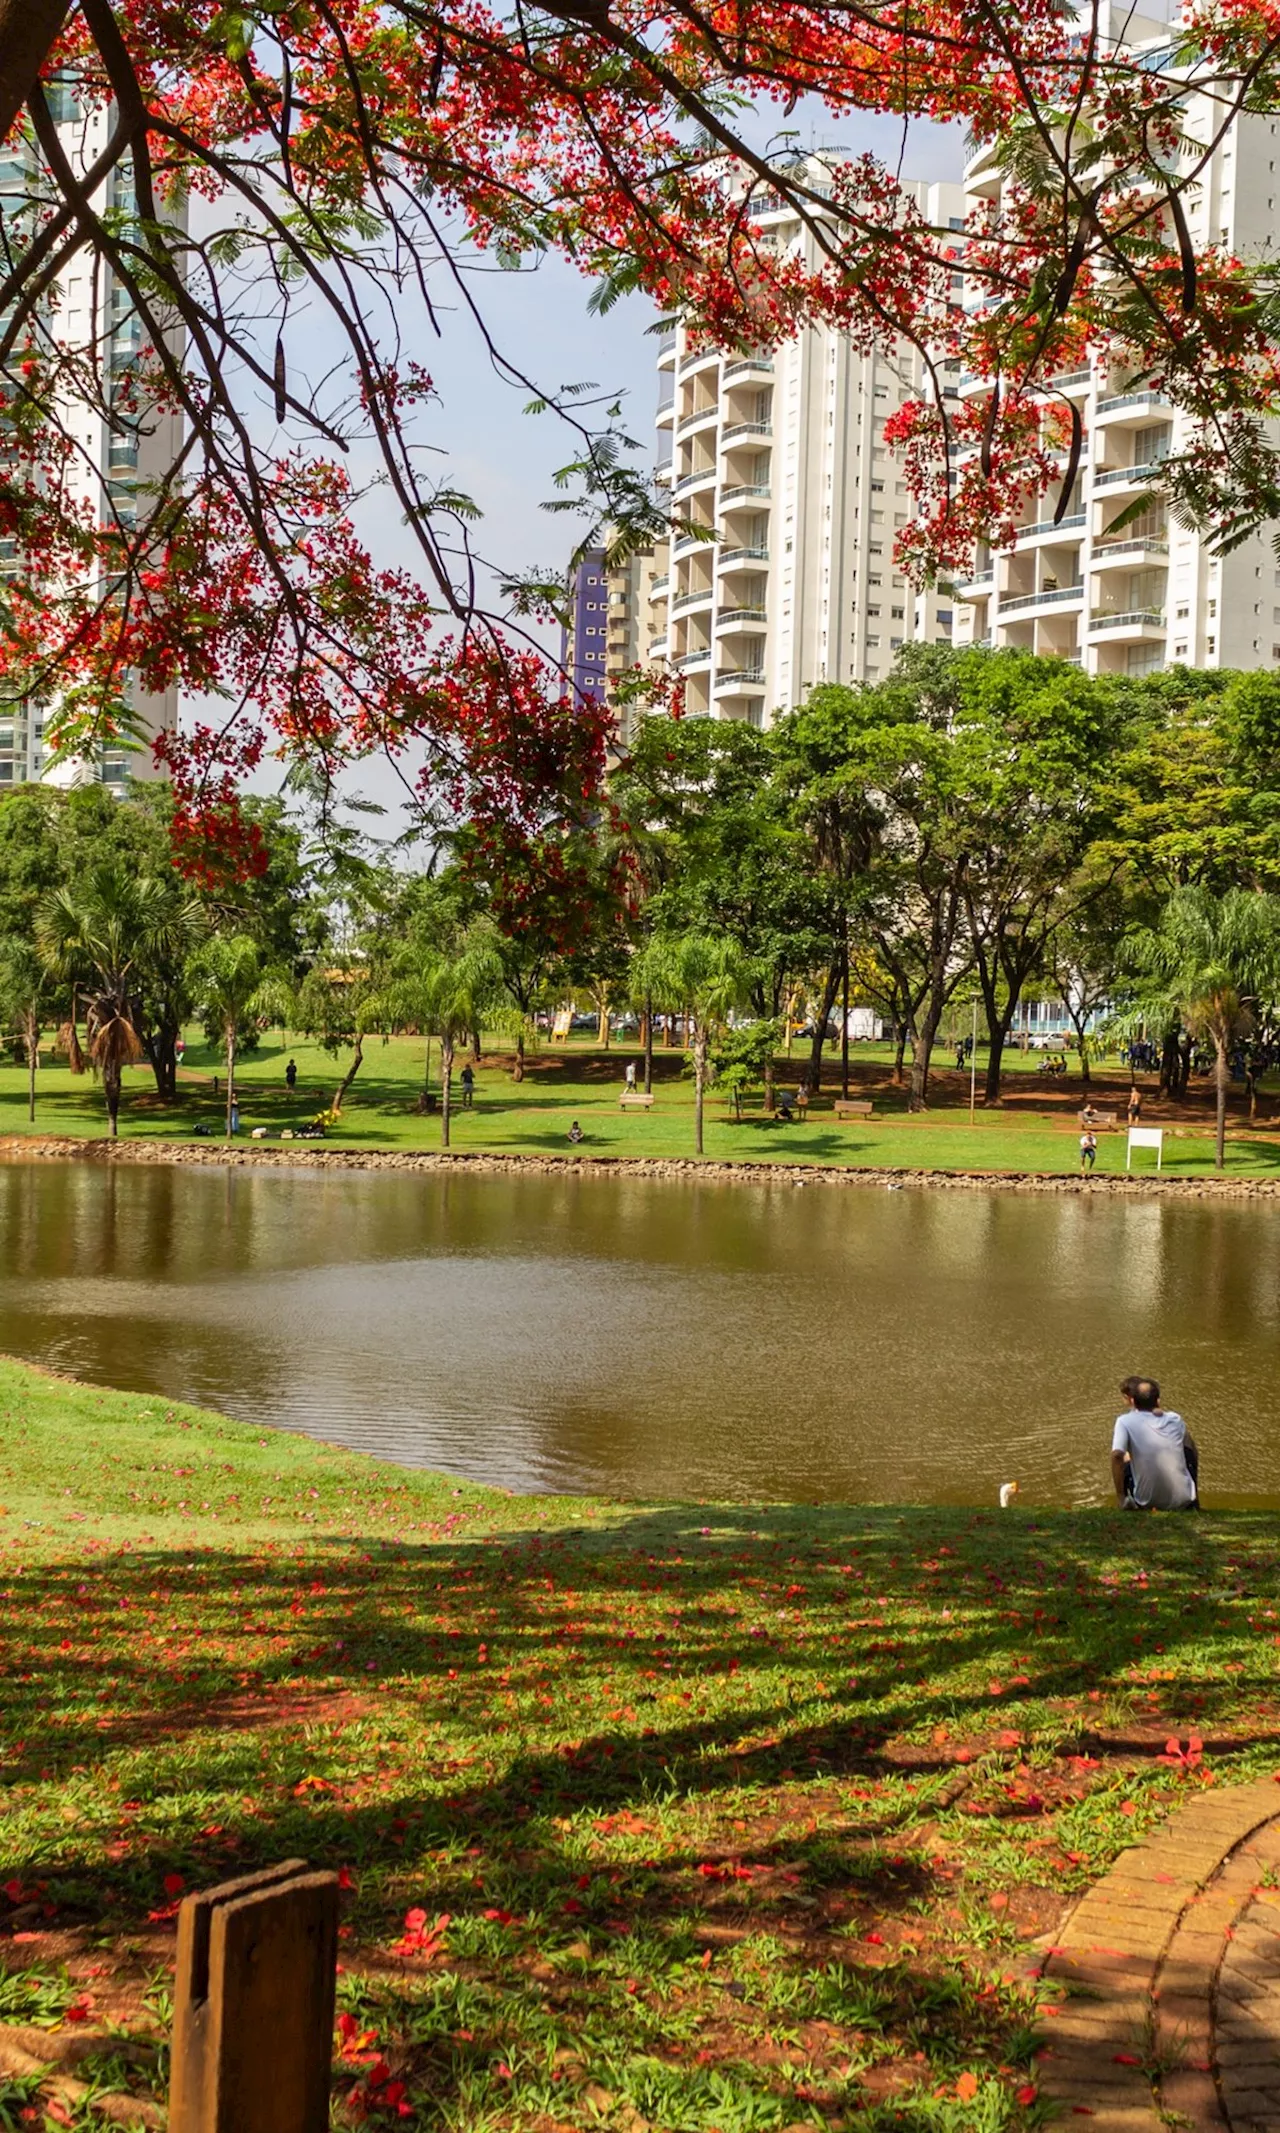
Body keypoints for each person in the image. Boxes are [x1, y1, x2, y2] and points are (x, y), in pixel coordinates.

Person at [1112, 1376, 1198, 1511]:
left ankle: (1126, 1502)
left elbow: (1117, 1455)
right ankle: (1192, 1497)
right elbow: (1192, 1452)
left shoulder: (1125, 1421)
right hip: (1184, 1500)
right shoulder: (1175, 1419)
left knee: (1124, 1460)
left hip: (1147, 1503)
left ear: (1133, 1400)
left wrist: (1120, 1497)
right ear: (1158, 1400)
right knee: (1188, 1449)